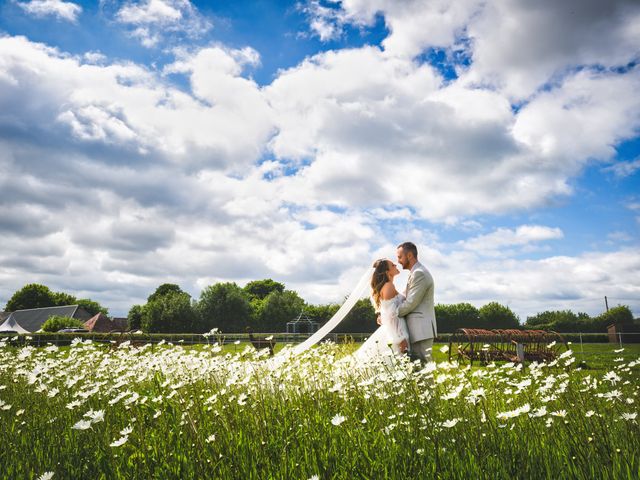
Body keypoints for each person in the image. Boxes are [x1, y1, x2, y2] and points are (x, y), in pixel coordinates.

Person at [396, 242, 437, 362]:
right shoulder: (415, 273)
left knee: (424, 373)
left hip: (421, 331)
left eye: (400, 257)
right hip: (418, 330)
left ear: (409, 255)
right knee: (418, 373)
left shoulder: (419, 273)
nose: (398, 261)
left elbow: (410, 303)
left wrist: (391, 314)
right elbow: (402, 296)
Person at [369, 258, 409, 356]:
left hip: (396, 331)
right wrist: (401, 340)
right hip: (397, 335)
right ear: (387, 272)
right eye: (392, 265)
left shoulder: (389, 286)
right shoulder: (388, 286)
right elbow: (392, 315)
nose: (396, 265)